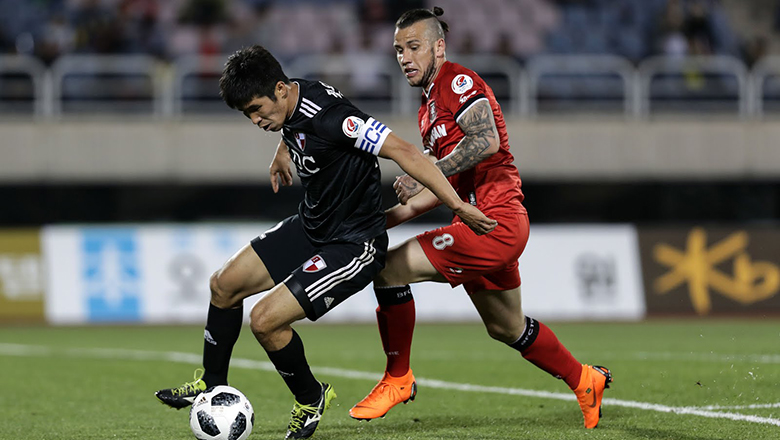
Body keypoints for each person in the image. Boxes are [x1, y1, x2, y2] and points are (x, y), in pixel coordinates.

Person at [154, 44, 497, 439]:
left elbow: (403, 151)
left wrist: (456, 205)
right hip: (312, 225)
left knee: (265, 321)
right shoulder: (291, 96)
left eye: (256, 109)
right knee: (223, 285)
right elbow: (295, 121)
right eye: (248, 114)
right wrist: (282, 150)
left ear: (280, 89)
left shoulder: (336, 119)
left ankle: (310, 397)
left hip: (353, 243)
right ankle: (212, 384)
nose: (255, 119)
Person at [348, 7, 612, 429]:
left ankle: (398, 378)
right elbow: (440, 192)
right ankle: (585, 378)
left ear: (438, 46)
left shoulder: (457, 81)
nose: (404, 58)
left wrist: (426, 175)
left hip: (496, 221)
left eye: (414, 47)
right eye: (398, 50)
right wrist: (376, 223)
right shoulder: (427, 107)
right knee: (506, 327)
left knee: (388, 271)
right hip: (474, 222)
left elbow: (486, 142)